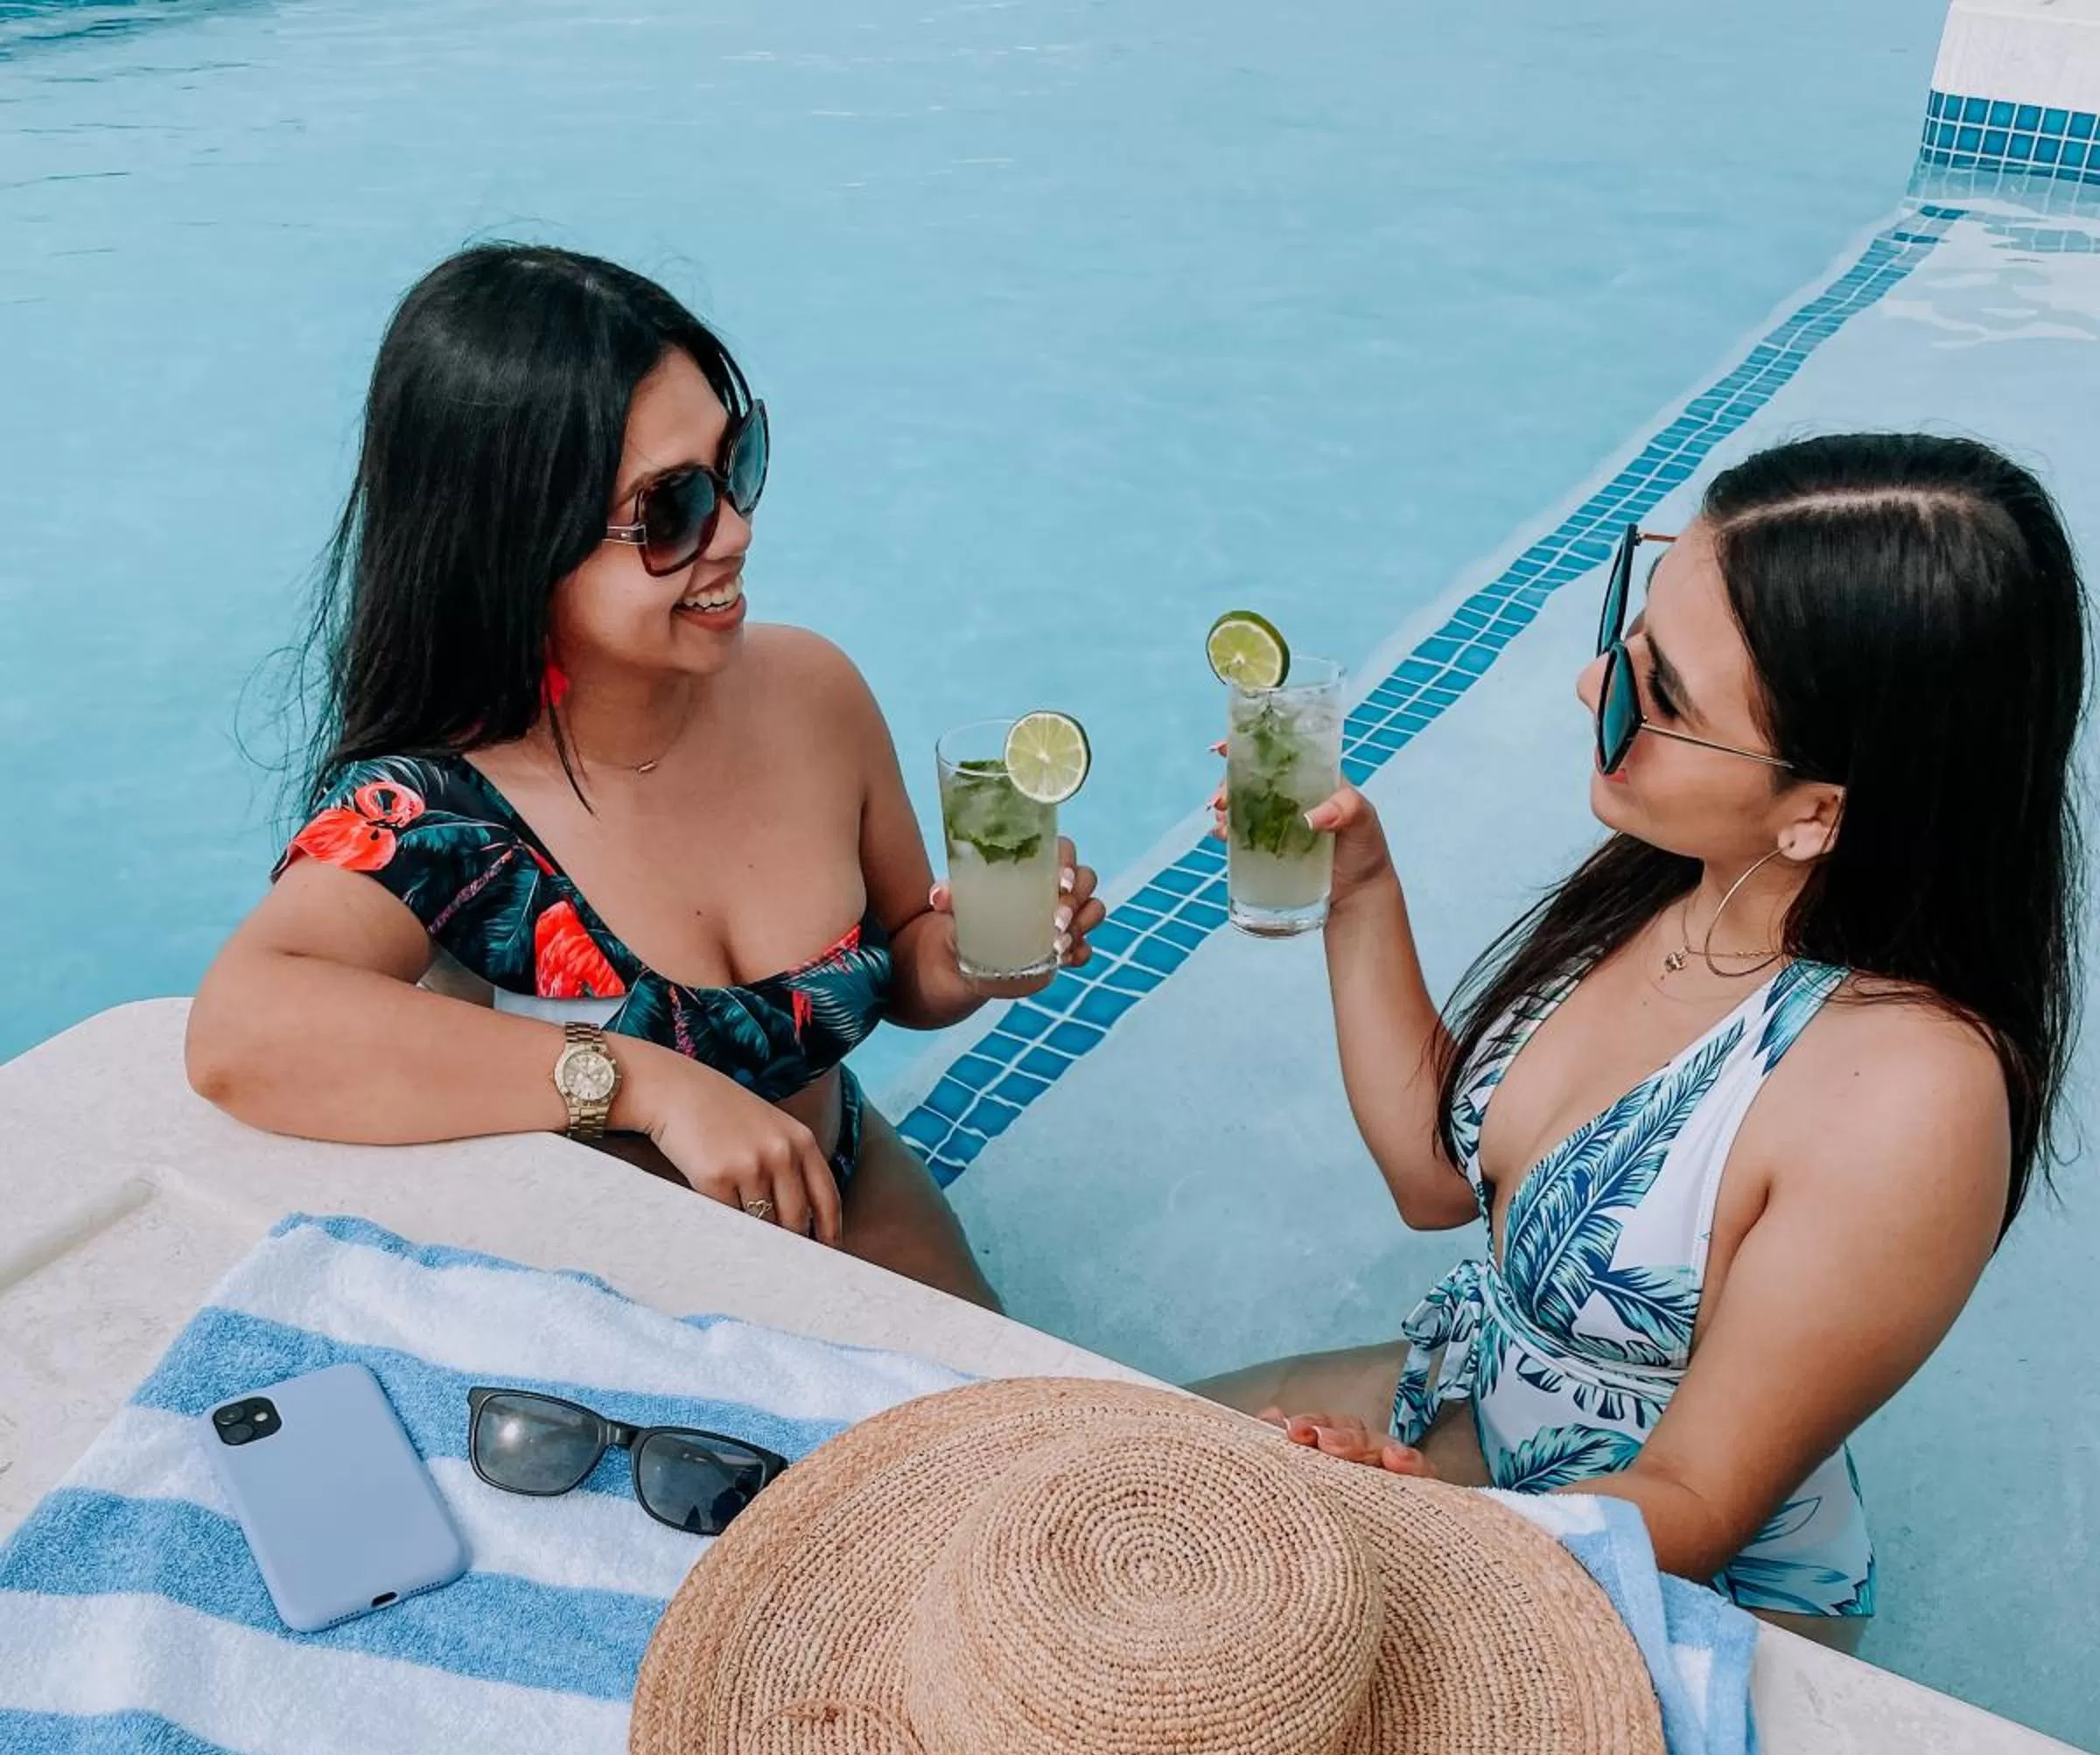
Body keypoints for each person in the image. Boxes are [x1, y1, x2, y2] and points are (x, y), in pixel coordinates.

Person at [1206, 435, 2086, 1642]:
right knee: (1082, 1458)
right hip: (1477, 1404)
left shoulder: (1905, 1097)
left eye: (1656, 697)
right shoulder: (1688, 877)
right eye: (1629, 629)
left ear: (1817, 814)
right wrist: (1360, 888)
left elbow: (1699, 1498)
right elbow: (1433, 1178)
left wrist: (1424, 1524)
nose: (1589, 690)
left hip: (1660, 1571)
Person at [186, 246, 1102, 1307]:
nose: (738, 531)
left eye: (737, 463)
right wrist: (644, 1083)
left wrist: (987, 952)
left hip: (847, 1181)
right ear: (518, 543)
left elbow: (902, 962)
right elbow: (238, 1033)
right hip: (635, 1295)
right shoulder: (442, 817)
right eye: (670, 511)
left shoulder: (811, 689)